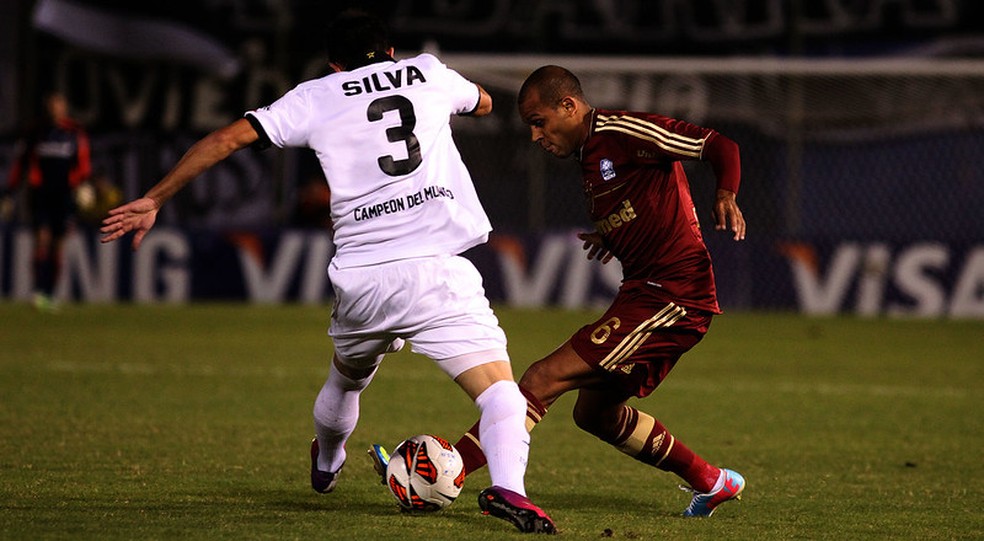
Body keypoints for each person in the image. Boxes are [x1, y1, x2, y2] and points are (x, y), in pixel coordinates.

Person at [99, 10, 555, 535]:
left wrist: (155, 198)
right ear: (389, 51)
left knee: (348, 376)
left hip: (362, 276)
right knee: (500, 393)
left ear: (335, 64)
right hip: (437, 273)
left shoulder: (315, 95)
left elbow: (225, 140)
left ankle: (328, 461)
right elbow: (485, 102)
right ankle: (510, 490)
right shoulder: (428, 71)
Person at [381, 65, 748, 518]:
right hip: (643, 294)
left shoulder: (621, 131)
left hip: (673, 296)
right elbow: (646, 200)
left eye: (539, 122)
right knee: (595, 415)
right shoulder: (591, 158)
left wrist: (726, 193)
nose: (536, 136)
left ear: (569, 106)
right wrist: (612, 236)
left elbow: (719, 145)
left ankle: (444, 471)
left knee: (541, 379)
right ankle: (714, 482)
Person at [6, 92, 91, 311]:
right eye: (52, 105)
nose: (56, 109)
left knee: (58, 245)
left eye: (59, 104)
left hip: (64, 195)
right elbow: (21, 163)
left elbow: (83, 164)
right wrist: (9, 192)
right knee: (41, 239)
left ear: (65, 107)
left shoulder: (73, 133)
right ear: (47, 107)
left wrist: (82, 184)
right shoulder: (36, 132)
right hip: (40, 194)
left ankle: (50, 294)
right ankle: (37, 292)